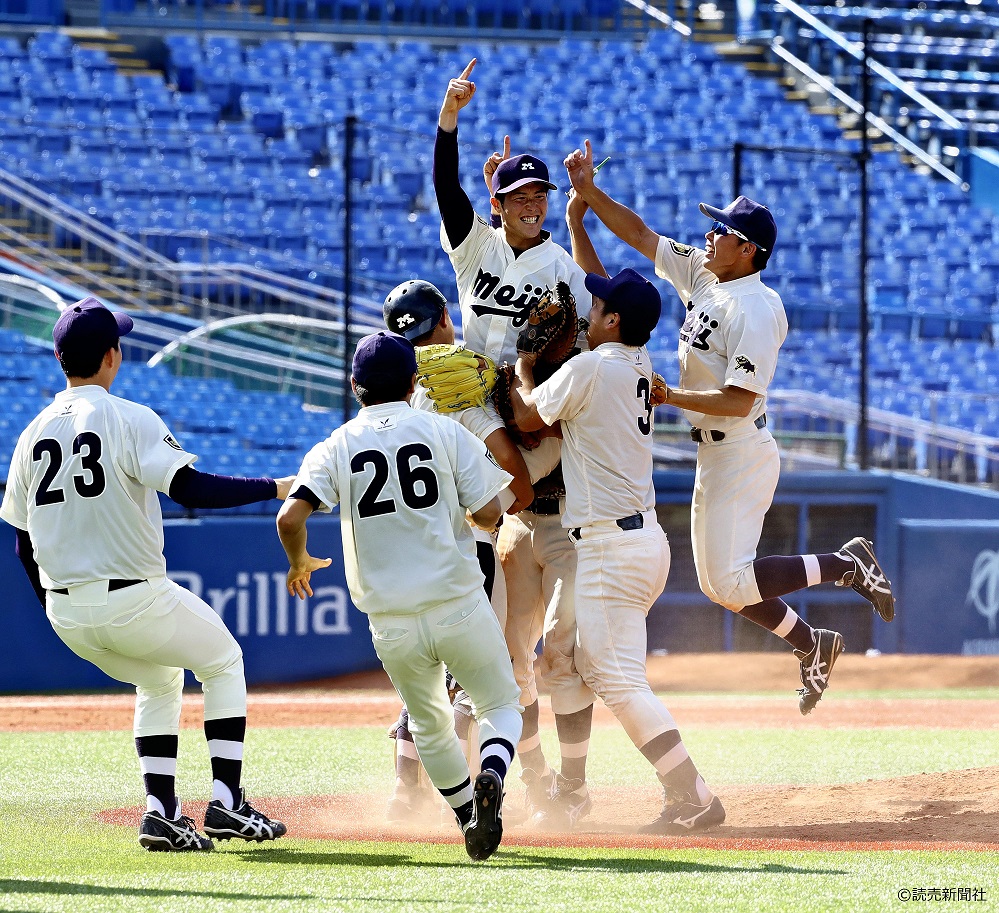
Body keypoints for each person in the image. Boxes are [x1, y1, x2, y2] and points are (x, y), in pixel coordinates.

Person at [563, 141, 896, 714]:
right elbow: (642, 236)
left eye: (721, 231)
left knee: (732, 582)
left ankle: (847, 565)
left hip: (740, 447)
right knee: (723, 585)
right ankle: (813, 642)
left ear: (747, 250)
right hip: (713, 453)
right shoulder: (707, 276)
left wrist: (669, 395)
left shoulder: (759, 308)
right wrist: (589, 196)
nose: (709, 236)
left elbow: (740, 401)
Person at [0, 297, 290, 852]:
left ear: (61, 359)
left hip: (66, 613)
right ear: (112, 357)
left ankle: (161, 811)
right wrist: (276, 487)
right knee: (224, 660)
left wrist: (60, 606)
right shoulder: (128, 417)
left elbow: (21, 543)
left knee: (159, 678)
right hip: (132, 598)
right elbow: (191, 489)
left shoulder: (31, 433)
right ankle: (227, 801)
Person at [275, 331, 524, 861]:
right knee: (500, 703)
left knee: (428, 723)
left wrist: (298, 560)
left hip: (390, 619)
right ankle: (494, 774)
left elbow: (289, 516)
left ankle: (466, 818)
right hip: (457, 600)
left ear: (354, 385)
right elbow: (490, 512)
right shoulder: (441, 430)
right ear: (415, 382)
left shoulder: (335, 444)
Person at [434, 57, 597, 827]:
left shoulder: (559, 265)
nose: (531, 203)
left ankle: (527, 765)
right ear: (498, 202)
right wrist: (449, 122)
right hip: (475, 404)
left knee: (520, 512)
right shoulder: (474, 247)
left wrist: (577, 223)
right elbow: (446, 191)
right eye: (519, 195)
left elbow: (599, 329)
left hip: (527, 411)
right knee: (487, 569)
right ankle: (486, 749)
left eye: (540, 194)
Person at [510, 267, 725, 834]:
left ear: (614, 320)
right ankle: (574, 788)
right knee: (582, 665)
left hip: (610, 545)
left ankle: (694, 796)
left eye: (598, 306)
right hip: (639, 540)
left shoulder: (592, 367)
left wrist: (524, 367)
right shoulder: (637, 364)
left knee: (617, 678)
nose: (587, 314)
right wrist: (580, 213)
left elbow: (528, 415)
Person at [381, 278, 544, 822]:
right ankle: (483, 783)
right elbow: (518, 489)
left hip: (401, 558)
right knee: (482, 680)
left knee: (418, 678)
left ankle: (406, 790)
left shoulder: (387, 404)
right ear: (446, 321)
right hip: (467, 552)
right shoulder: (465, 396)